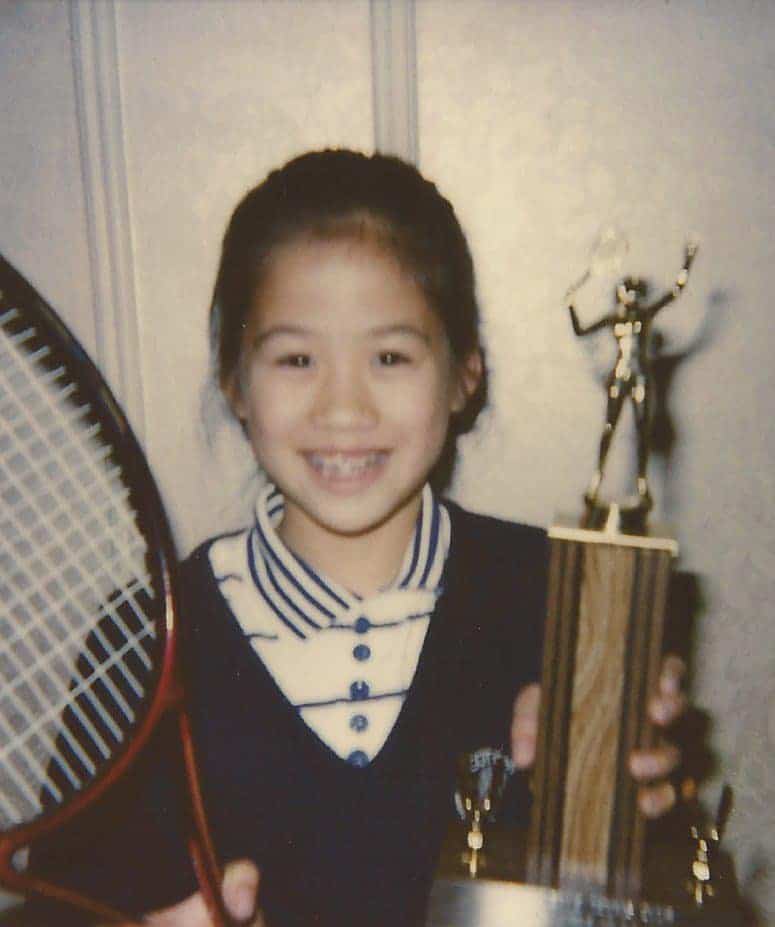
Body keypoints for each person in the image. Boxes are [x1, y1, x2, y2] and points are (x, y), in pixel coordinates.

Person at [29, 150, 686, 927]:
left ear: (464, 373)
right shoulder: (143, 643)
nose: (343, 407)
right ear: (235, 380)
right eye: (297, 358)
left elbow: (641, 886)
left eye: (389, 356)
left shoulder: (556, 599)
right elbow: (57, 910)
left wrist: (620, 797)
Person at [568, 242, 698, 508]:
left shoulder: (646, 315)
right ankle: (595, 482)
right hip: (619, 375)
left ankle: (641, 486)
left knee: (642, 430)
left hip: (641, 376)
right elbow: (580, 331)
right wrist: (571, 302)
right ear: (621, 294)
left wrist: (688, 261)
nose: (633, 296)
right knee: (609, 428)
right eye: (628, 291)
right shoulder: (613, 319)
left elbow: (675, 291)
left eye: (636, 292)